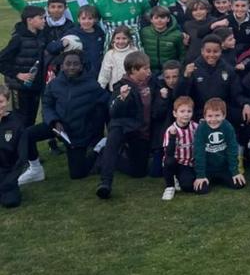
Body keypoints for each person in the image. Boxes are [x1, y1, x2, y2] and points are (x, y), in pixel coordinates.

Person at [18, 51, 108, 184]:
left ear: (81, 66)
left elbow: (107, 102)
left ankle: (98, 148)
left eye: (75, 64)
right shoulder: (54, 84)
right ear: (62, 66)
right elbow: (47, 105)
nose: (71, 67)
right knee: (27, 134)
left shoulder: (92, 86)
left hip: (77, 134)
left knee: (78, 175)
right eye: (68, 64)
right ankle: (35, 170)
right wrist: (54, 121)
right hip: (57, 127)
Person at [96, 52, 155, 199]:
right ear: (134, 70)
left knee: (139, 172)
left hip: (141, 131)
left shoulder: (152, 82)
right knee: (113, 138)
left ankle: (105, 154)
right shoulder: (121, 86)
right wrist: (122, 99)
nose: (149, 71)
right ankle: (105, 182)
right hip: (123, 126)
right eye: (145, 69)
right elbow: (113, 111)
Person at [0, 6, 46, 127]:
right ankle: (16, 144)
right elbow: (2, 61)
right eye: (41, 18)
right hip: (19, 88)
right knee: (20, 119)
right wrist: (17, 74)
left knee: (31, 118)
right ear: (29, 20)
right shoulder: (18, 39)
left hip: (35, 86)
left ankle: (29, 144)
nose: (44, 21)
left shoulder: (42, 36)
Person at [193, 98, 247, 194]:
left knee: (239, 184)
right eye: (209, 116)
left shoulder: (228, 127)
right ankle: (209, 179)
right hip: (207, 169)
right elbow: (199, 152)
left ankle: (221, 178)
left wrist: (235, 172)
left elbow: (232, 150)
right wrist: (200, 175)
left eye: (217, 115)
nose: (213, 119)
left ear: (224, 115)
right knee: (201, 190)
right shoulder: (201, 129)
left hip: (223, 168)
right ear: (204, 116)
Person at [160, 96, 199, 201]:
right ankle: (169, 186)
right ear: (175, 113)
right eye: (182, 111)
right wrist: (173, 137)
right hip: (176, 162)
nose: (186, 114)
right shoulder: (171, 130)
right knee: (168, 161)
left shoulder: (195, 127)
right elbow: (168, 153)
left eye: (189, 111)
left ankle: (178, 177)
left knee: (189, 187)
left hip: (189, 163)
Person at [0, 85, 28, 208]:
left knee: (11, 202)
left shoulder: (17, 124)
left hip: (7, 172)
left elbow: (22, 157)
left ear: (7, 101)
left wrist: (10, 180)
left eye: (0, 101)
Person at [140, 6, 184, 73]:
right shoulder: (144, 32)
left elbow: (182, 54)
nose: (159, 20)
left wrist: (179, 68)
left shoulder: (177, 35)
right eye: (156, 18)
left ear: (168, 19)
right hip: (149, 70)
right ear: (151, 20)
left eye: (162, 17)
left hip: (170, 70)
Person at [98, 26, 138, 91]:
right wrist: (100, 89)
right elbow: (104, 75)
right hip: (115, 89)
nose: (121, 41)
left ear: (129, 39)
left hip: (132, 88)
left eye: (124, 38)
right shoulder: (110, 54)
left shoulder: (134, 51)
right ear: (113, 39)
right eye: (118, 38)